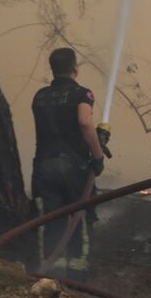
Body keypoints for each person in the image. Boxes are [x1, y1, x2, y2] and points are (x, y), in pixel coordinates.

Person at [31, 47, 106, 278]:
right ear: (75, 67)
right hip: (74, 167)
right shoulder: (82, 94)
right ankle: (77, 273)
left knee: (51, 218)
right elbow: (84, 123)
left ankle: (51, 274)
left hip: (43, 165)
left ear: (53, 69)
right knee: (79, 215)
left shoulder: (40, 96)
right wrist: (98, 154)